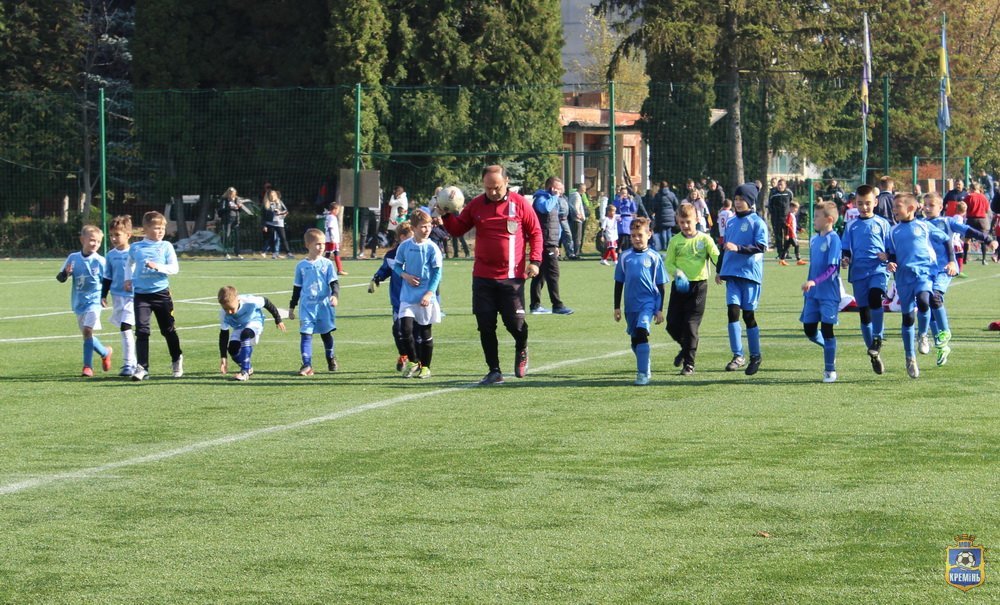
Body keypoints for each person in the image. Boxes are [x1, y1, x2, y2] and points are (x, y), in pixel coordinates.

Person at [440, 165, 542, 385]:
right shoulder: (476, 205)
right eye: (488, 188)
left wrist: (535, 261)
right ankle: (494, 370)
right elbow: (458, 229)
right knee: (485, 325)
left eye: (497, 187)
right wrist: (446, 214)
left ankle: (522, 346)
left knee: (515, 324)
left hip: (511, 277)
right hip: (483, 277)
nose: (493, 192)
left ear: (506, 181)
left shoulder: (520, 203)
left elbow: (535, 232)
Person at [917, 192, 997, 365]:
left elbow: (969, 231)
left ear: (941, 207)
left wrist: (989, 239)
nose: (928, 208)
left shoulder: (947, 222)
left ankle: (945, 332)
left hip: (945, 268)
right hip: (925, 270)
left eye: (932, 205)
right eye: (926, 205)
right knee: (926, 301)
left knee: (935, 297)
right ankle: (941, 344)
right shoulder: (919, 224)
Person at [885, 192, 956, 379]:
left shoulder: (924, 226)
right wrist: (890, 262)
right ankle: (910, 357)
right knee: (908, 318)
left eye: (897, 206)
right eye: (893, 207)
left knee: (925, 301)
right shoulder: (893, 231)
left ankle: (923, 334)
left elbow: (946, 239)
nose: (894, 210)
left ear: (910, 208)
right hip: (903, 278)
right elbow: (891, 254)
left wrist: (951, 261)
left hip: (924, 272)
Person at [716, 183, 767, 375]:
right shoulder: (730, 222)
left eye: (742, 199)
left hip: (749, 275)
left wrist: (738, 248)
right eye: (736, 199)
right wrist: (719, 270)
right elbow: (724, 247)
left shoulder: (757, 222)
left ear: (750, 201)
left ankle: (755, 355)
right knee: (732, 312)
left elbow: (761, 247)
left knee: (748, 316)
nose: (737, 203)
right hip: (732, 275)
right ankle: (738, 355)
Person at [125, 211, 183, 381]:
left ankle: (176, 358)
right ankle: (142, 367)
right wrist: (128, 279)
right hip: (141, 295)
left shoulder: (166, 246)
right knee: (142, 331)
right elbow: (129, 263)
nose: (161, 231)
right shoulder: (136, 247)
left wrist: (157, 266)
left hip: (161, 294)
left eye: (163, 228)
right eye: (157, 228)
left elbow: (174, 268)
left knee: (168, 330)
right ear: (146, 228)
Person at [840, 185, 892, 374]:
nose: (864, 207)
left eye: (868, 203)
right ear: (855, 203)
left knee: (875, 297)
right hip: (859, 272)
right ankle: (873, 354)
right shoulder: (851, 226)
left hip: (878, 269)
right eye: (860, 203)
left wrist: (887, 256)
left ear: (875, 202)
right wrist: (845, 259)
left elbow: (891, 248)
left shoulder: (883, 223)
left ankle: (878, 338)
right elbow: (846, 248)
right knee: (864, 313)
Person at [664, 204, 720, 375]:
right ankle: (685, 348)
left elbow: (716, 256)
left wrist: (721, 271)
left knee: (690, 324)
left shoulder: (705, 240)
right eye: (682, 222)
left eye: (688, 222)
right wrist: (677, 272)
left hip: (698, 287)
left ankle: (689, 364)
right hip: (679, 287)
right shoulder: (675, 241)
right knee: (672, 324)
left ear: (696, 220)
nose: (685, 226)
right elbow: (668, 263)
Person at [613, 217, 666, 385]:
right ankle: (645, 360)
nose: (636, 238)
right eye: (633, 235)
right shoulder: (624, 257)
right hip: (630, 306)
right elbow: (619, 283)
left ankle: (642, 373)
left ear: (649, 234)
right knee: (635, 340)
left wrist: (659, 309)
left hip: (648, 304)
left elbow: (661, 286)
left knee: (642, 332)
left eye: (640, 235)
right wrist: (616, 307)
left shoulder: (654, 257)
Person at [392, 209, 443, 379]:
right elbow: (397, 266)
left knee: (425, 333)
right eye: (423, 226)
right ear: (413, 228)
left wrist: (429, 293)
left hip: (425, 297)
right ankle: (414, 361)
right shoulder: (405, 246)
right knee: (404, 329)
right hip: (407, 296)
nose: (427, 229)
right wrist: (405, 275)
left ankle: (426, 367)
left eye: (429, 226)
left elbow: (437, 273)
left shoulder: (432, 248)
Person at [56, 225, 112, 377]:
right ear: (82, 240)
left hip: (94, 302)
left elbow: (107, 281)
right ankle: (105, 352)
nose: (95, 244)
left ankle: (87, 367)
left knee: (87, 330)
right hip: (79, 302)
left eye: (98, 242)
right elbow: (60, 278)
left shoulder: (100, 261)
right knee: (87, 335)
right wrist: (66, 273)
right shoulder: (73, 258)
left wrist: (104, 296)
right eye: (92, 240)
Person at [800, 202, 843, 383]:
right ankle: (829, 349)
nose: (814, 220)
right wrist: (810, 284)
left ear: (829, 219)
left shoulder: (834, 239)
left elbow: (833, 268)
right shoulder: (813, 240)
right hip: (812, 294)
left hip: (828, 294)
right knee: (809, 329)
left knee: (827, 329)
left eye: (817, 217)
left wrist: (814, 281)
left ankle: (830, 370)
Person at [289, 228, 340, 376]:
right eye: (318, 244)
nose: (321, 247)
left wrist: (335, 295)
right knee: (306, 334)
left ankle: (330, 357)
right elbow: (297, 288)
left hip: (323, 306)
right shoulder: (301, 266)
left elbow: (334, 283)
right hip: (307, 307)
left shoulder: (327, 264)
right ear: (308, 245)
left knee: (326, 334)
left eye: (323, 244)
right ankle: (307, 364)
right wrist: (292, 307)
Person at [218, 286, 286, 381]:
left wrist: (278, 319)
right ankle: (248, 367)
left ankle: (245, 371)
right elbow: (224, 335)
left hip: (255, 321)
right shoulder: (223, 314)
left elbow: (266, 302)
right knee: (233, 349)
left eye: (231, 308)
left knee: (245, 334)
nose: (229, 312)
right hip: (239, 327)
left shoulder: (250, 301)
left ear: (238, 300)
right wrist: (223, 357)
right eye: (226, 309)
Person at [370, 221, 413, 371]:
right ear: (402, 237)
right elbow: (385, 270)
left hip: (416, 299)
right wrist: (376, 278)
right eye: (410, 236)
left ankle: (418, 359)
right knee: (398, 330)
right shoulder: (391, 255)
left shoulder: (418, 253)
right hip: (398, 300)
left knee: (415, 331)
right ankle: (404, 355)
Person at [529, 177, 574, 315]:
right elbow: (544, 209)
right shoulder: (541, 199)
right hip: (544, 242)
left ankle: (535, 305)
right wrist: (554, 196)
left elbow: (556, 224)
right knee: (553, 274)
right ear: (551, 188)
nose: (560, 192)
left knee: (540, 275)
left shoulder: (553, 200)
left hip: (550, 243)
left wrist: (556, 244)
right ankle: (557, 305)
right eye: (558, 189)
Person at [102, 215, 137, 376]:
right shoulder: (110, 255)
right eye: (111, 235)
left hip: (133, 297)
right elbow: (107, 277)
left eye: (117, 234)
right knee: (124, 329)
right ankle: (133, 362)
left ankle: (129, 364)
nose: (114, 238)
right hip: (117, 297)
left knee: (126, 327)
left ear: (128, 235)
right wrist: (103, 295)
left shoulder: (135, 253)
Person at [962, 182, 992, 265]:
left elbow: (964, 207)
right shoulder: (984, 197)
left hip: (971, 219)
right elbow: (987, 210)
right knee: (983, 239)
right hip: (982, 220)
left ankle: (965, 259)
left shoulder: (969, 197)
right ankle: (984, 259)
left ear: (971, 188)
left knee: (967, 239)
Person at [768, 179, 793, 259]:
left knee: (787, 236)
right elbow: (770, 205)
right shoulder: (774, 194)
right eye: (778, 185)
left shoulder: (788, 193)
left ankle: (786, 253)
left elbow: (791, 203)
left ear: (785, 185)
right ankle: (780, 253)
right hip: (776, 218)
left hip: (786, 218)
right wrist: (773, 214)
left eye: (781, 184)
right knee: (778, 237)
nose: (779, 186)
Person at [218, 187, 245, 259]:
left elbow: (240, 210)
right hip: (227, 221)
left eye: (233, 193)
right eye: (230, 193)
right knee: (227, 236)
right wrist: (230, 207)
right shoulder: (224, 200)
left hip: (236, 221)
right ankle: (226, 253)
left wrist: (239, 207)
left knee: (237, 237)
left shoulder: (237, 199)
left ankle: (237, 253)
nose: (231, 194)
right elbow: (221, 210)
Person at [262, 189, 291, 259]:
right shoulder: (266, 204)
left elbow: (286, 211)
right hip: (270, 224)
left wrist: (280, 212)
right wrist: (264, 225)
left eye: (274, 195)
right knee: (271, 239)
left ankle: (288, 253)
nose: (273, 197)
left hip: (279, 223)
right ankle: (273, 253)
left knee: (283, 238)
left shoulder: (280, 202)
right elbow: (263, 216)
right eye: (271, 195)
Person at [650, 180, 678, 251]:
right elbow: (676, 204)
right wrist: (673, 211)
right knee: (669, 231)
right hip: (670, 215)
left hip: (660, 215)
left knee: (663, 231)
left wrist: (655, 212)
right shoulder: (671, 194)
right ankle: (669, 246)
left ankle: (664, 246)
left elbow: (654, 206)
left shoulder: (658, 195)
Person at [778, 200, 806, 265]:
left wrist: (799, 229)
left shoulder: (792, 215)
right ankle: (799, 260)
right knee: (796, 245)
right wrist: (787, 234)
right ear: (791, 207)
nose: (797, 209)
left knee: (786, 247)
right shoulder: (790, 215)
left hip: (792, 234)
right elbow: (787, 225)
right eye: (796, 208)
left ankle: (782, 260)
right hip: (791, 235)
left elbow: (793, 225)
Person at [323, 201, 347, 275]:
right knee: (335, 253)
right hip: (332, 239)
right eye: (338, 210)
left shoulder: (328, 216)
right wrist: (332, 238)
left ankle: (323, 268)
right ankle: (339, 270)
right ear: (334, 210)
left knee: (329, 253)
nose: (338, 211)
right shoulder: (332, 217)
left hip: (329, 239)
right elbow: (330, 228)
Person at [612, 185, 638, 251]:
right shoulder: (617, 200)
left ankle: (627, 249)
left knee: (628, 236)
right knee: (620, 236)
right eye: (622, 193)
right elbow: (615, 207)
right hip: (620, 219)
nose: (624, 195)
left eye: (625, 193)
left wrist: (632, 201)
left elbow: (634, 209)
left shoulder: (629, 200)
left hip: (628, 219)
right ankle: (618, 249)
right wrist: (620, 200)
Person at [567, 183, 587, 259]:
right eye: (584, 188)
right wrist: (579, 215)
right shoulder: (577, 196)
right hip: (577, 219)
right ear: (581, 188)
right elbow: (576, 207)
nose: (585, 190)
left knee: (574, 236)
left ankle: (573, 252)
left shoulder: (573, 195)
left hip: (573, 219)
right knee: (577, 237)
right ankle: (576, 253)